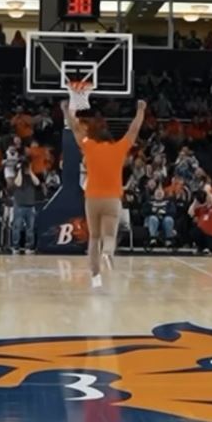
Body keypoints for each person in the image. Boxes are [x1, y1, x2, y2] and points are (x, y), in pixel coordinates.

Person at [63, 99, 146, 288]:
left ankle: (95, 277)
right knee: (109, 236)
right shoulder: (119, 149)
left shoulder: (89, 147)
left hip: (92, 197)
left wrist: (67, 110)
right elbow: (133, 131)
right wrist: (141, 110)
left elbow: (75, 130)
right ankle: (108, 253)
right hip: (112, 199)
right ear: (111, 140)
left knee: (93, 238)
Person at [12, 158, 40, 254]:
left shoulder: (31, 176)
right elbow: (18, 183)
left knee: (30, 228)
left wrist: (30, 171)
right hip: (19, 205)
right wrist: (20, 170)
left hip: (30, 205)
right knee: (17, 227)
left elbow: (37, 183)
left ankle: (30, 246)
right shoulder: (17, 176)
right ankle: (16, 247)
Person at [188, 186, 212, 254]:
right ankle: (201, 247)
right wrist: (196, 200)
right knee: (194, 231)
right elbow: (190, 212)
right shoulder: (201, 208)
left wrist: (208, 193)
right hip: (202, 233)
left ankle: (211, 247)